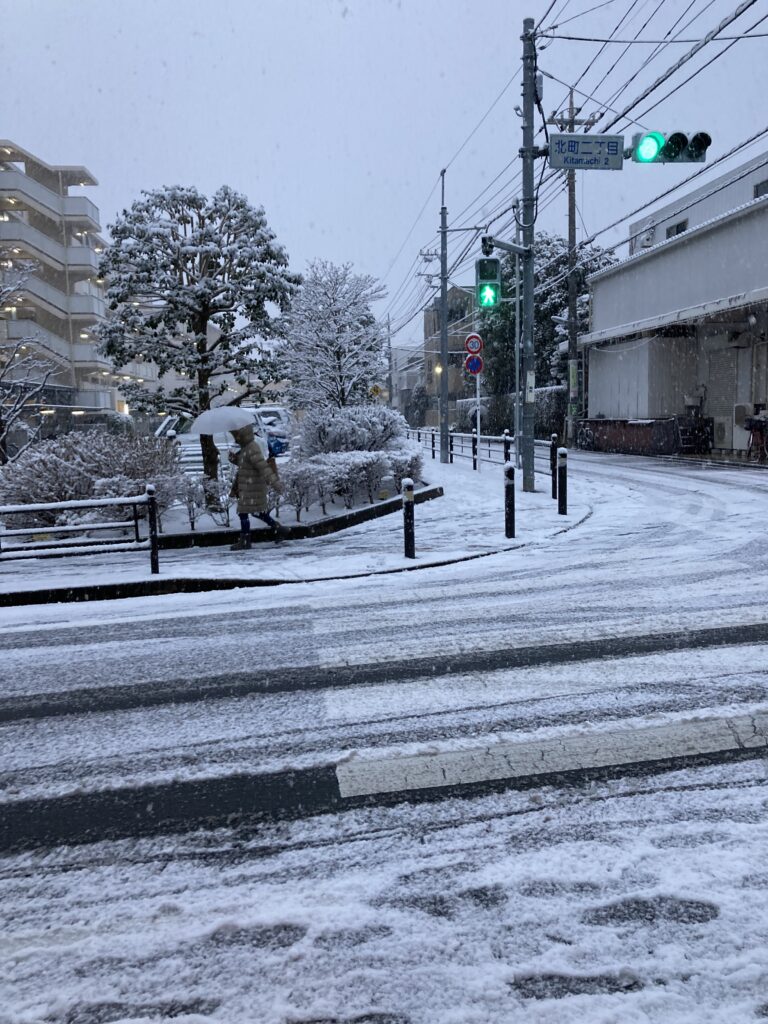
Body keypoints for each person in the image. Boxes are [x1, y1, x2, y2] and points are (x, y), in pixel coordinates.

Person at [228, 423, 290, 550]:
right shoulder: (246, 447)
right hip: (248, 486)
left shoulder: (252, 447)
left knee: (244, 512)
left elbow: (262, 466)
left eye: (236, 435)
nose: (235, 438)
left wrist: (275, 483)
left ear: (242, 435)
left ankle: (246, 540)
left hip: (253, 486)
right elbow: (245, 463)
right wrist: (234, 459)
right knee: (257, 513)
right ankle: (279, 529)